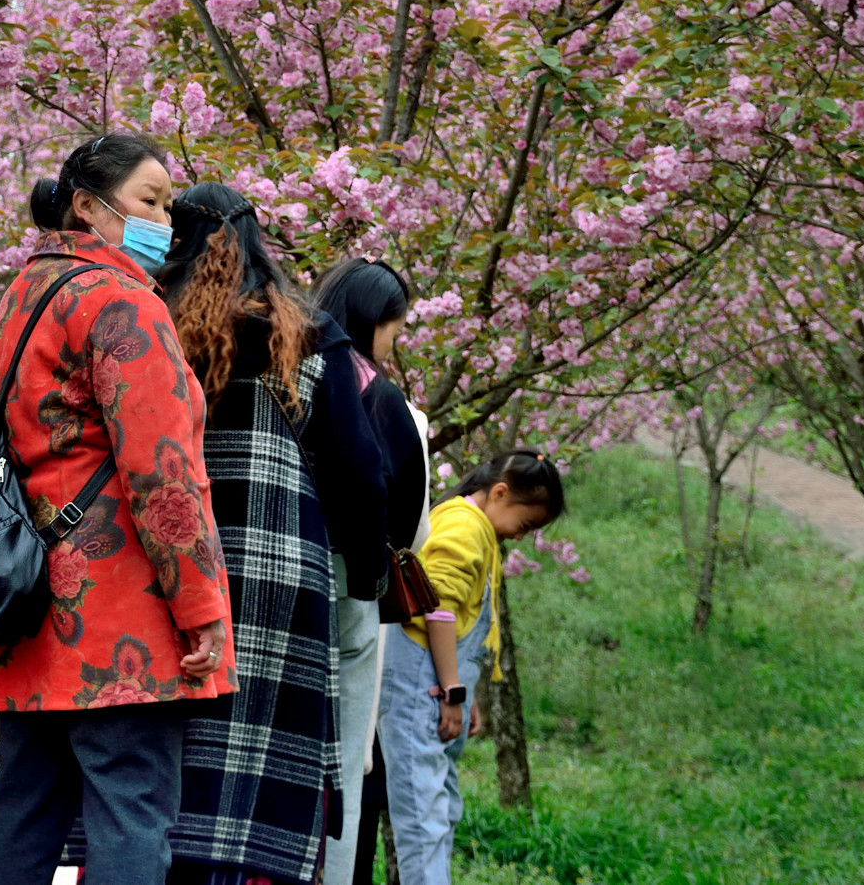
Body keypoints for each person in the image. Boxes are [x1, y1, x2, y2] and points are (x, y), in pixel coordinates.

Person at [0, 133, 234, 885]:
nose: (165, 220)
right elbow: (164, 479)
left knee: (25, 807)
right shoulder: (124, 308)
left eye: (168, 206)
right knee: (130, 809)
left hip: (26, 599)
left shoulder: (15, 303)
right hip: (121, 615)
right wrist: (203, 606)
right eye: (149, 201)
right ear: (88, 205)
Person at [158, 182, 389, 885]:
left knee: (168, 749)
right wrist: (365, 569)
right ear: (261, 240)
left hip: (167, 560)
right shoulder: (308, 331)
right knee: (260, 750)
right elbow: (359, 470)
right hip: (276, 568)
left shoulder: (148, 321)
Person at [376, 451, 565, 885]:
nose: (523, 536)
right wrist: (452, 691)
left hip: (436, 685)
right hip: (420, 689)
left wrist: (465, 690)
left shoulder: (477, 529)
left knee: (438, 810)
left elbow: (462, 616)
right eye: (528, 523)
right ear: (500, 492)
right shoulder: (464, 524)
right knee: (423, 820)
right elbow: (437, 608)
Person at [311, 257, 429, 885]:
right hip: (353, 597)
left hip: (272, 588)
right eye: (393, 328)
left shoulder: (286, 384)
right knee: (345, 761)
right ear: (373, 322)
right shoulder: (392, 408)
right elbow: (411, 534)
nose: (394, 342)